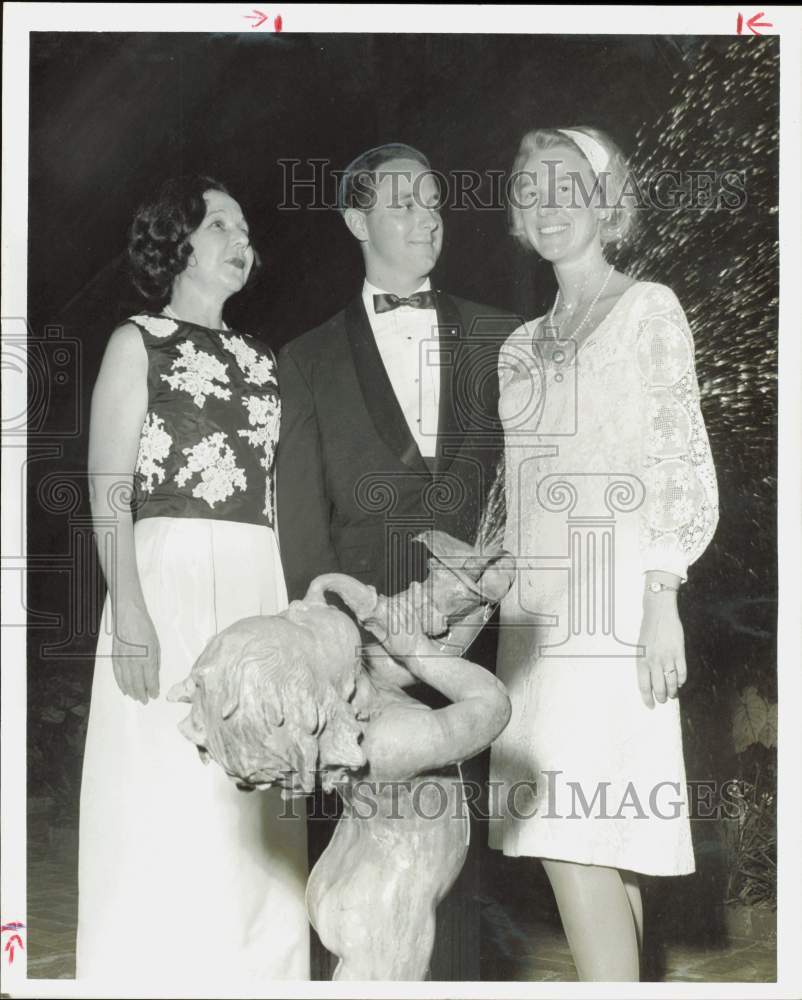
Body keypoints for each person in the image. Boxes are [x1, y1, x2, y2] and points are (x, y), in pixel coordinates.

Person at [275, 142, 518, 981]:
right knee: (360, 883)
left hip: (472, 639)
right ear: (355, 218)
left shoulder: (501, 334)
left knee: (455, 869)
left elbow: (523, 487)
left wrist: (470, 591)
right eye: (403, 200)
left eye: (435, 201)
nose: (427, 216)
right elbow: (302, 534)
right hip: (363, 656)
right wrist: (343, 641)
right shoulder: (303, 361)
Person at [488, 127, 719, 981]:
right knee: (593, 844)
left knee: (570, 834)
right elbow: (517, 497)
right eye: (530, 189)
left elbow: (678, 457)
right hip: (535, 623)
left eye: (565, 186)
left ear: (605, 199)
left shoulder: (650, 307)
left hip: (619, 600)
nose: (547, 205)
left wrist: (664, 594)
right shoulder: (517, 345)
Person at [77, 175, 309, 992]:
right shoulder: (136, 341)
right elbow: (109, 487)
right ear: (176, 243)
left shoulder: (261, 358)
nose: (241, 239)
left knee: (251, 789)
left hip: (254, 575)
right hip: (165, 576)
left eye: (246, 227)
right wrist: (130, 611)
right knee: (166, 785)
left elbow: (276, 493)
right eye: (221, 225)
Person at [168, 566, 513, 981]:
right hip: (383, 896)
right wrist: (418, 649)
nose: (298, 605)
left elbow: (423, 663)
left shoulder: (352, 691)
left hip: (351, 872)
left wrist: (471, 601)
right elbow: (490, 707)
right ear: (318, 692)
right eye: (300, 626)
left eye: (283, 614)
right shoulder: (387, 742)